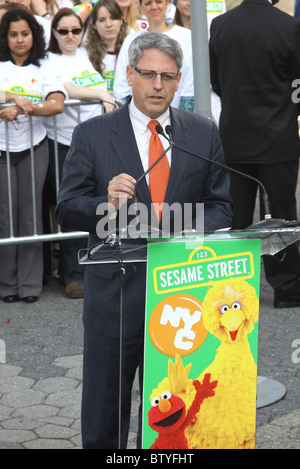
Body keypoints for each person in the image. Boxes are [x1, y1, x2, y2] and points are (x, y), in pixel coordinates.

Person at [55, 31, 232, 449]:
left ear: (179, 79)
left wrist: (197, 228)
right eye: (149, 74)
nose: (158, 85)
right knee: (105, 416)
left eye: (168, 77)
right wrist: (107, 204)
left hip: (182, 298)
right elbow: (67, 207)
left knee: (173, 416)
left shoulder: (203, 133)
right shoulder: (94, 134)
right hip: (115, 296)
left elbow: (222, 205)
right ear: (130, 76)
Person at [209, 0, 300, 308]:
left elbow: (216, 82)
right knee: (281, 214)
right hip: (278, 134)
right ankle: (287, 288)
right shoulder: (289, 26)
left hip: (236, 134)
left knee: (236, 215)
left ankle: (232, 288)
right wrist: (286, 108)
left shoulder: (221, 25)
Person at [43, 7, 116, 299]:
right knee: (72, 208)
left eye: (76, 30)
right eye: (63, 31)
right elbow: (66, 89)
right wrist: (101, 95)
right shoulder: (49, 59)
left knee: (100, 205)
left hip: (96, 143)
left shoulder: (88, 54)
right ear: (54, 33)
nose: (70, 36)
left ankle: (99, 266)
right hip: (63, 142)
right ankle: (73, 274)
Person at [0, 8, 66, 303]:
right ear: (5, 37)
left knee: (29, 217)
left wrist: (25, 108)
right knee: (6, 217)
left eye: (24, 33)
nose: (19, 40)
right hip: (2, 151)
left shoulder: (45, 64)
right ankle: (7, 284)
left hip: (34, 148)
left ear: (33, 35)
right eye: (13, 34)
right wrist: (13, 98)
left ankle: (29, 286)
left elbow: (57, 104)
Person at [114, 0, 194, 111]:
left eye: (159, 1)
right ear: (140, 7)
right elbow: (121, 87)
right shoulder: (130, 40)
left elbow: (190, 84)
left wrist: (181, 119)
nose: (154, 7)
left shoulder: (186, 36)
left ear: (167, 3)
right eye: (148, 3)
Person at [85, 0, 128, 95]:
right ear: (94, 24)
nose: (108, 24)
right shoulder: (84, 54)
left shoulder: (129, 51)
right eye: (102, 20)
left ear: (121, 20)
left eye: (113, 18)